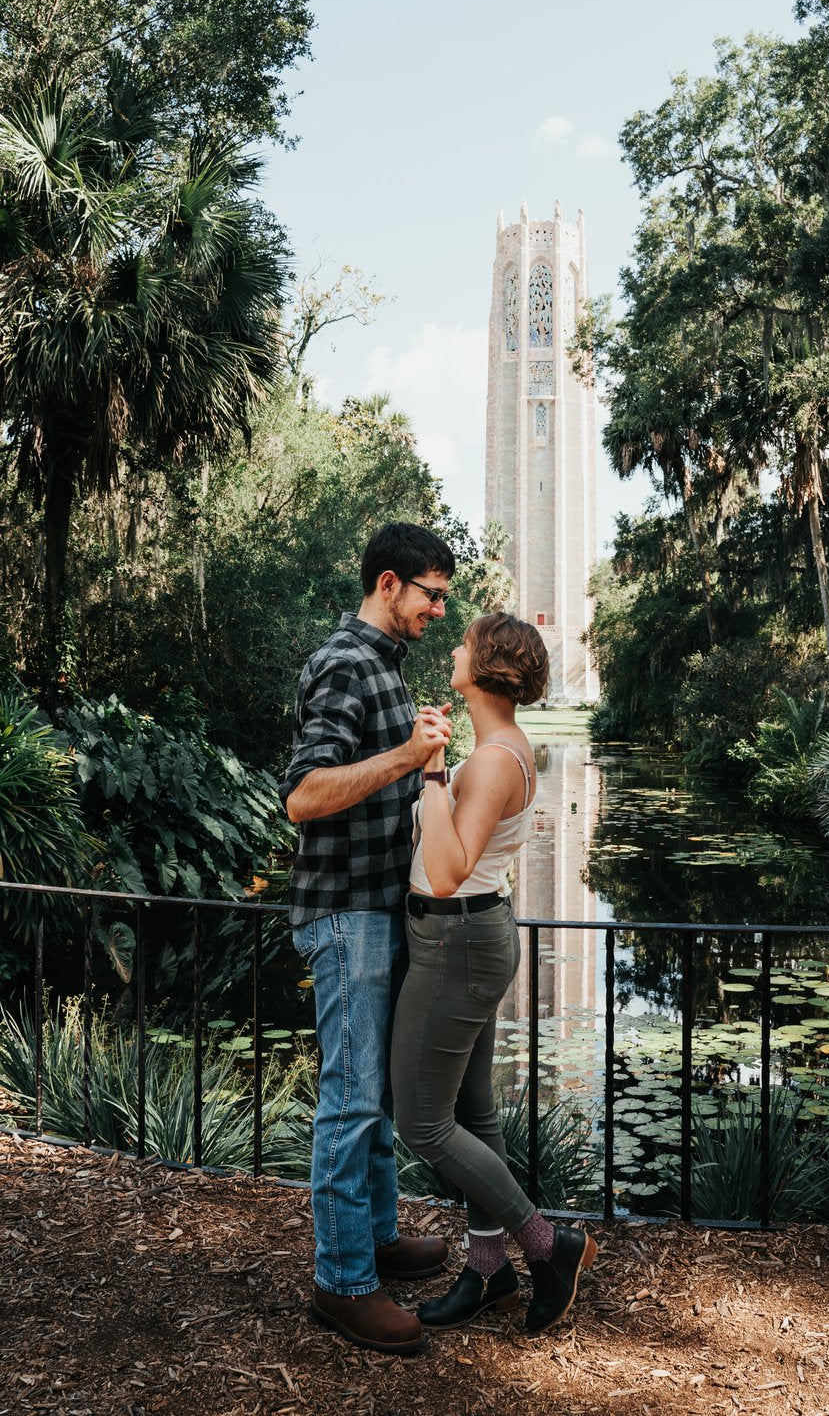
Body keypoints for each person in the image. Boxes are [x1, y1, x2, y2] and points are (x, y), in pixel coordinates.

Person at [391, 613, 598, 1335]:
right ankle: (487, 1271)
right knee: (476, 1114)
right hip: (470, 938)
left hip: (457, 942)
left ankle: (548, 1245)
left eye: (464, 642)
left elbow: (447, 871)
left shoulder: (493, 760)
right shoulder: (500, 749)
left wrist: (427, 772)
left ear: (484, 668)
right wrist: (441, 769)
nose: (452, 647)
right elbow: (464, 850)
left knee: (421, 1119)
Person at [281, 522, 458, 1355]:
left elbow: (385, 784)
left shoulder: (384, 665)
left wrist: (425, 766)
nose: (438, 611)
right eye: (431, 594)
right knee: (351, 1100)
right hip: (345, 913)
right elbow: (305, 795)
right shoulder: (345, 662)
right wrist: (401, 755)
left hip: (381, 910)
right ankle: (342, 1281)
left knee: (378, 1095)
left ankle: (377, 1240)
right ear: (389, 584)